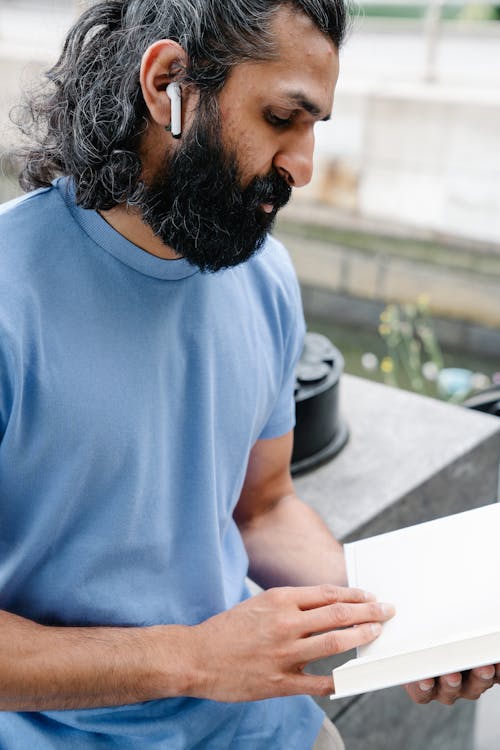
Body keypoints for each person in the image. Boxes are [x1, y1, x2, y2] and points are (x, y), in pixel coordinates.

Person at [0, 1, 497, 748]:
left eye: (313, 128)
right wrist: (194, 661)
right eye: (279, 119)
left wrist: (395, 620)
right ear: (168, 82)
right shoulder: (10, 294)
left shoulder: (265, 275)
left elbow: (262, 507)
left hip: (263, 725)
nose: (303, 166)